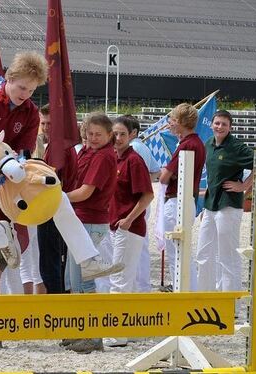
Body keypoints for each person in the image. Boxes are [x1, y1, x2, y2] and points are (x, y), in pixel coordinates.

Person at [0, 53, 119, 332]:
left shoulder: (29, 112)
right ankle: (5, 235)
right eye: (21, 88)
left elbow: (23, 153)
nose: (25, 95)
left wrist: (22, 171)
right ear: (9, 78)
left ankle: (89, 259)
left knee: (59, 198)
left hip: (8, 175)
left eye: (31, 90)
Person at [63, 113, 119, 353]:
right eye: (90, 133)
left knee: (84, 281)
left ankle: (93, 335)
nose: (93, 138)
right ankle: (80, 330)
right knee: (74, 281)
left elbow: (85, 192)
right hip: (80, 220)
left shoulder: (104, 156)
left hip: (90, 222)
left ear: (109, 136)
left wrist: (58, 199)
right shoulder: (87, 151)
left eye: (99, 134)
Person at [100, 114, 155, 348]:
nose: (118, 138)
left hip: (127, 226)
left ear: (131, 135)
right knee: (127, 279)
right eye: (115, 133)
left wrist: (129, 219)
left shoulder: (133, 160)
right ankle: (132, 329)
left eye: (122, 133)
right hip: (116, 224)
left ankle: (117, 332)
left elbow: (148, 194)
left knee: (119, 278)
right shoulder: (114, 158)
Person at [196, 110, 254, 292]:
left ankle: (231, 303)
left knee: (227, 255)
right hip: (210, 206)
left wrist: (244, 185)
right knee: (203, 253)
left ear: (230, 127)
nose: (219, 127)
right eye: (217, 123)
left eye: (224, 124)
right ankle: (204, 296)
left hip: (228, 205)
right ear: (212, 124)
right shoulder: (208, 144)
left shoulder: (237, 147)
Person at [159, 103, 205, 291]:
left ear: (181, 123)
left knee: (177, 253)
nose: (170, 123)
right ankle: (186, 290)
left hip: (177, 200)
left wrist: (166, 172)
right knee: (181, 251)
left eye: (173, 120)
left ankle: (183, 291)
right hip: (185, 199)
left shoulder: (187, 144)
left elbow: (164, 177)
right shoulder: (196, 143)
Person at [37, 104, 77, 295]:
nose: (45, 127)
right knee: (53, 260)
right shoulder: (57, 145)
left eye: (49, 124)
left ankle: (56, 300)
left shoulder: (58, 147)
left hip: (53, 208)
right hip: (55, 207)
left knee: (51, 261)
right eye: (43, 123)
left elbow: (50, 180)